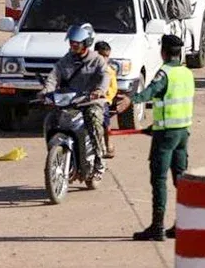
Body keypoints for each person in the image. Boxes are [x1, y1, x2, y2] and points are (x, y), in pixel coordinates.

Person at [115, 35, 193, 241]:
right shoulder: (186, 73)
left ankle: (157, 227)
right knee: (180, 180)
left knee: (159, 179)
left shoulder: (164, 73)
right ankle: (182, 224)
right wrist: (154, 127)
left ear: (164, 52)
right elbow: (175, 104)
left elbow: (151, 92)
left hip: (166, 135)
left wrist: (131, 99)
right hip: (182, 133)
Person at [39, 24, 112, 174]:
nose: (73, 45)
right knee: (51, 120)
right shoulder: (65, 60)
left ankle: (99, 158)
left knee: (93, 117)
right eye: (71, 42)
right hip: (69, 101)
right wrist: (46, 91)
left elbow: (106, 75)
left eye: (76, 43)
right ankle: (55, 155)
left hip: (90, 101)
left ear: (86, 43)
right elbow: (54, 76)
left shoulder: (97, 60)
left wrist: (100, 90)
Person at [94, 41, 120, 159]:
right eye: (102, 55)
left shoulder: (109, 71)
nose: (105, 59)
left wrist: (106, 96)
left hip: (103, 101)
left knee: (105, 123)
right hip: (87, 99)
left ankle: (108, 144)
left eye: (107, 56)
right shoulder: (89, 68)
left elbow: (113, 87)